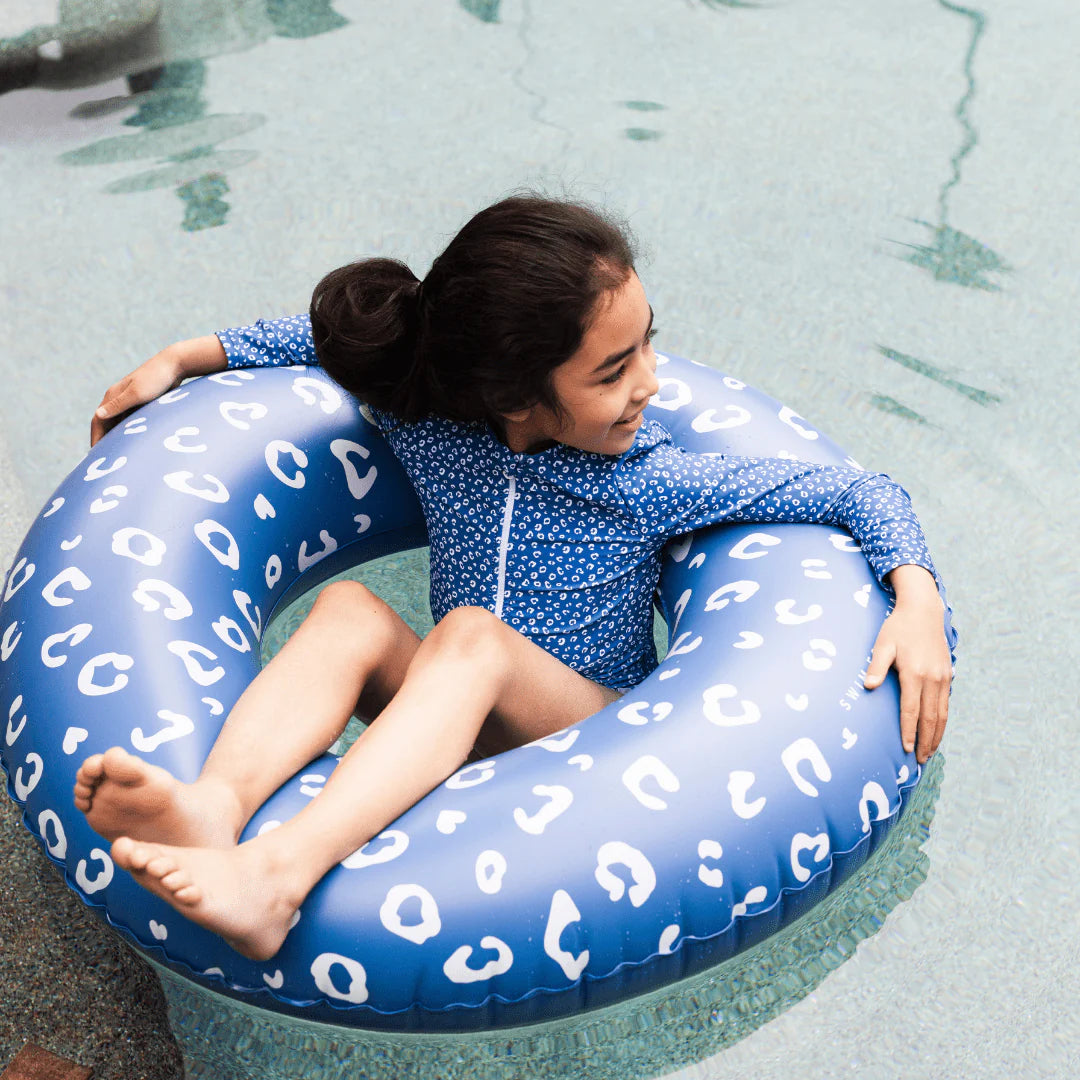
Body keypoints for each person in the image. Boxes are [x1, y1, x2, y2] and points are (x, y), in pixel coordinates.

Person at [73, 195, 953, 962]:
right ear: (512, 393)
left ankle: (276, 879)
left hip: (598, 736)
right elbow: (327, 342)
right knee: (347, 611)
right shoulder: (432, 426)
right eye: (614, 370)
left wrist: (912, 593)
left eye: (649, 346)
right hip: (450, 706)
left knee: (471, 642)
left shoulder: (649, 478)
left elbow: (850, 487)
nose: (651, 383)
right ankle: (212, 808)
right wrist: (190, 356)